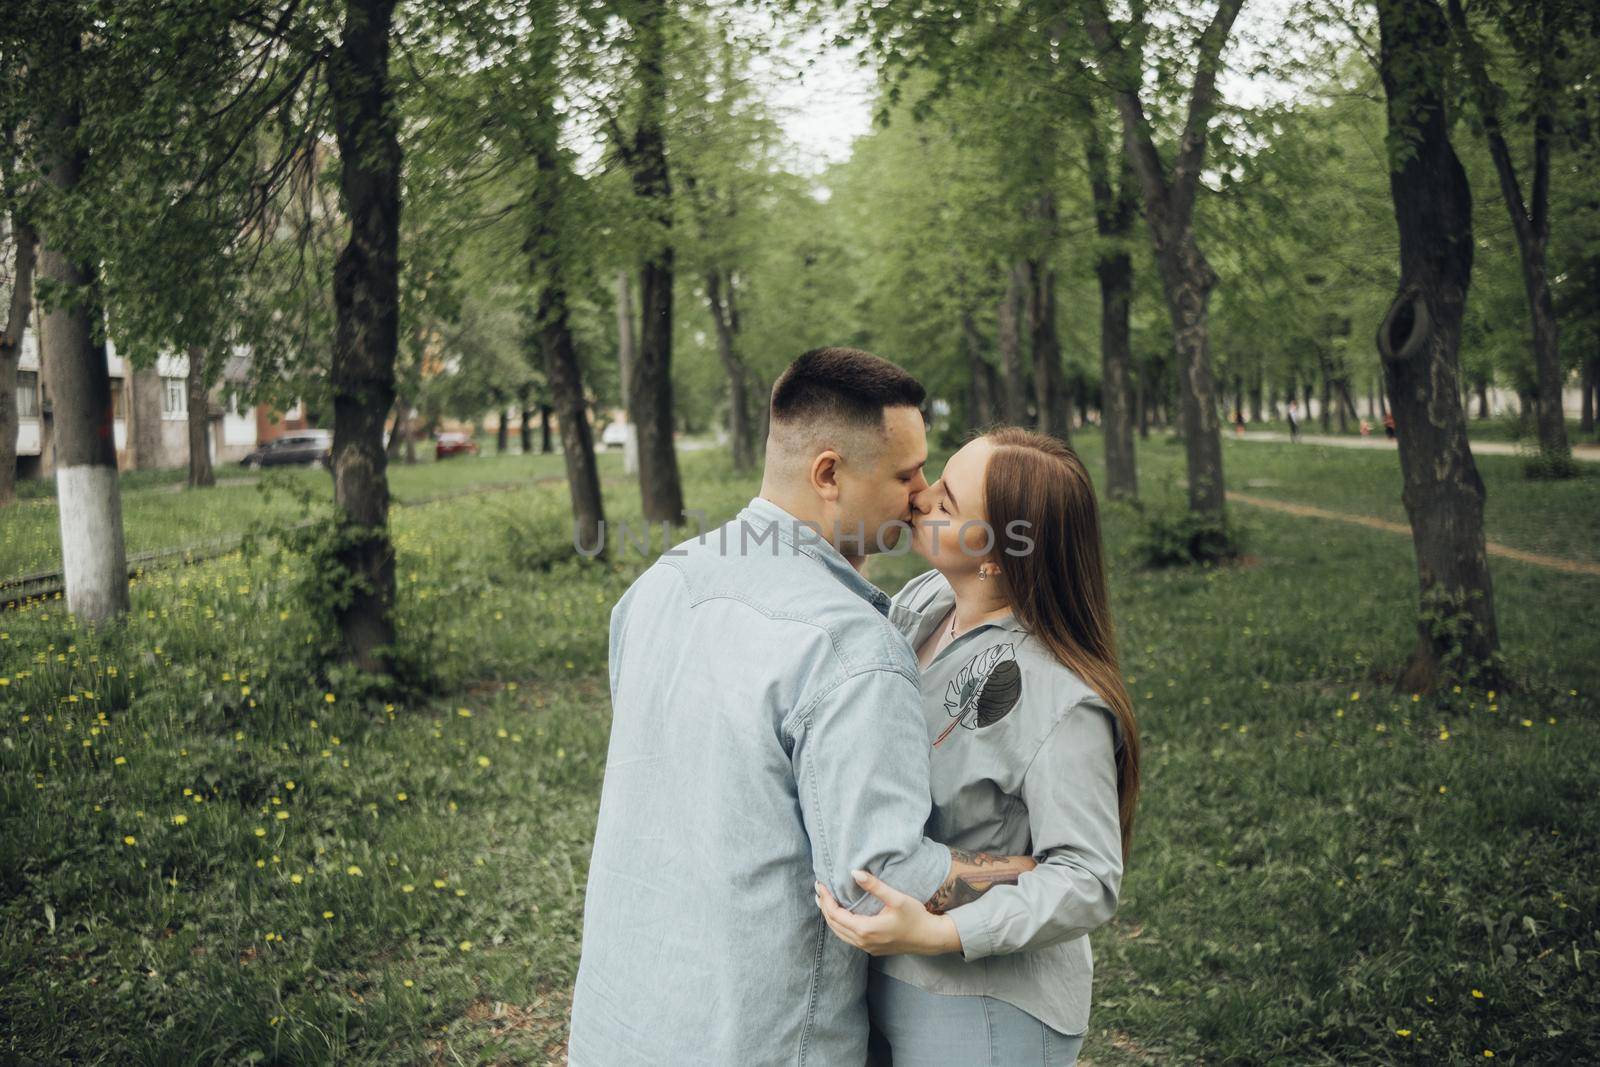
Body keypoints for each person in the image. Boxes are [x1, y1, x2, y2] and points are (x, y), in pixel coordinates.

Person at [568, 347, 1038, 1065]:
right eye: (907, 474)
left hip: (619, 1030)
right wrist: (1033, 873)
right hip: (761, 1041)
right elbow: (879, 884)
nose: (921, 495)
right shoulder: (852, 649)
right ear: (829, 474)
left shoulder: (657, 586)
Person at [816, 428, 1140, 1067]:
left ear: (1001, 554)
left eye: (947, 502)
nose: (920, 497)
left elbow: (1088, 877)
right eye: (937, 478)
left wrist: (942, 931)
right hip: (890, 975)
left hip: (988, 1007)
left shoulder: (1060, 697)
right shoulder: (923, 606)